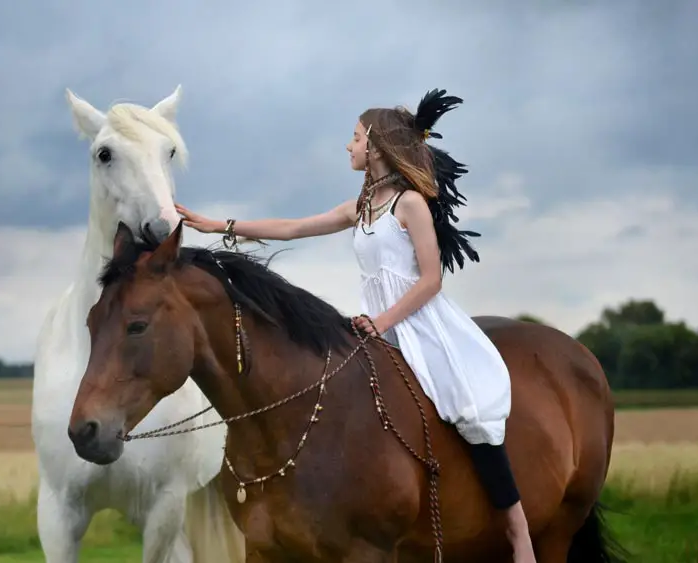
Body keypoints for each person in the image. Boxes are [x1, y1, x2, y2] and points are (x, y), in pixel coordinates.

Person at [175, 89, 536, 563]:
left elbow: (431, 280)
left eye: (355, 137)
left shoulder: (410, 205)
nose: (349, 146)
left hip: (420, 324)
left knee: (469, 408)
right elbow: (293, 228)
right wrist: (217, 224)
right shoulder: (359, 208)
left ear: (379, 147)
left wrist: (383, 320)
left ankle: (517, 532)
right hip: (373, 327)